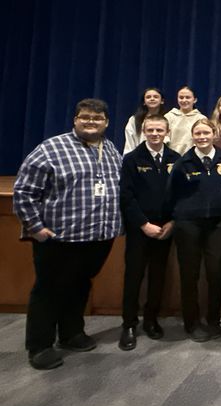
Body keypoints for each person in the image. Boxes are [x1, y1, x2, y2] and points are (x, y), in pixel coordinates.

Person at [13, 98, 123, 370]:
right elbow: (24, 191)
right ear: (75, 120)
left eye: (97, 119)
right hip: (58, 237)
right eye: (85, 117)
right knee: (49, 290)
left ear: (106, 123)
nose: (90, 122)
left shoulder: (110, 149)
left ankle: (71, 333)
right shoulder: (51, 148)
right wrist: (36, 227)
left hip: (99, 236)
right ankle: (39, 345)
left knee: (80, 285)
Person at [168, 118, 221, 342]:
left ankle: (213, 320)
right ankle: (191, 322)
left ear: (214, 135)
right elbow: (171, 194)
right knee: (190, 274)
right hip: (188, 225)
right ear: (193, 136)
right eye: (198, 133)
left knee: (217, 272)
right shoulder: (183, 162)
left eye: (206, 133)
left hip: (218, 224)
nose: (202, 137)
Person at [118, 114, 180, 351]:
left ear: (167, 132)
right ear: (143, 131)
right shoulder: (132, 159)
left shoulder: (176, 159)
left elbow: (180, 194)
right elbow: (126, 196)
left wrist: (172, 222)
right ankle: (129, 324)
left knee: (158, 276)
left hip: (165, 229)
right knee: (133, 277)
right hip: (140, 229)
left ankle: (151, 319)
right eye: (150, 130)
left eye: (159, 130)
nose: (155, 134)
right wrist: (144, 224)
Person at [123, 87, 166, 154]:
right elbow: (129, 143)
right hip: (139, 158)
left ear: (162, 101)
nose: (152, 99)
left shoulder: (168, 118)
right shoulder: (134, 120)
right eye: (148, 97)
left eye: (156, 97)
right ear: (144, 102)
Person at [164, 86, 206, 155]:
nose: (184, 100)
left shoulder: (201, 119)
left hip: (191, 158)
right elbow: (164, 138)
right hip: (171, 158)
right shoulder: (168, 117)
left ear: (195, 100)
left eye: (187, 97)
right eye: (181, 97)